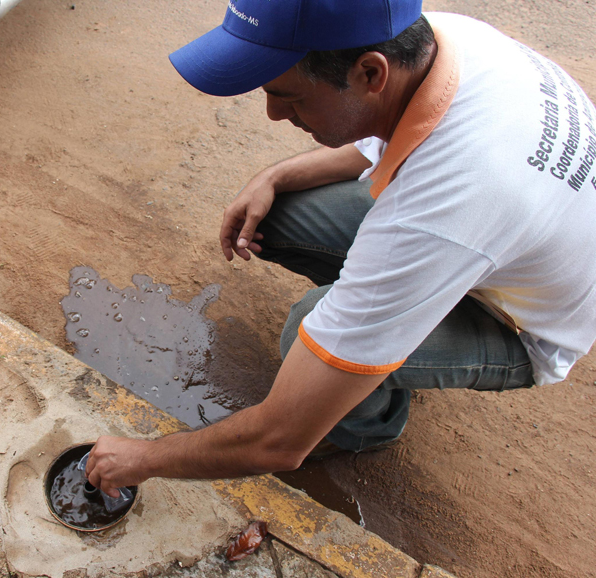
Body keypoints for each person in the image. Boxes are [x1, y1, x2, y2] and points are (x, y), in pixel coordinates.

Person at [85, 0, 596, 496]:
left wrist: (142, 458)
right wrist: (274, 175)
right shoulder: (431, 42)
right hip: (502, 243)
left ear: (370, 74)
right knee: (280, 213)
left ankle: (370, 425)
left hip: (519, 325)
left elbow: (278, 441)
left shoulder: (441, 210)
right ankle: (388, 324)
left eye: (290, 96)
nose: (271, 113)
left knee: (308, 329)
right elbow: (379, 132)